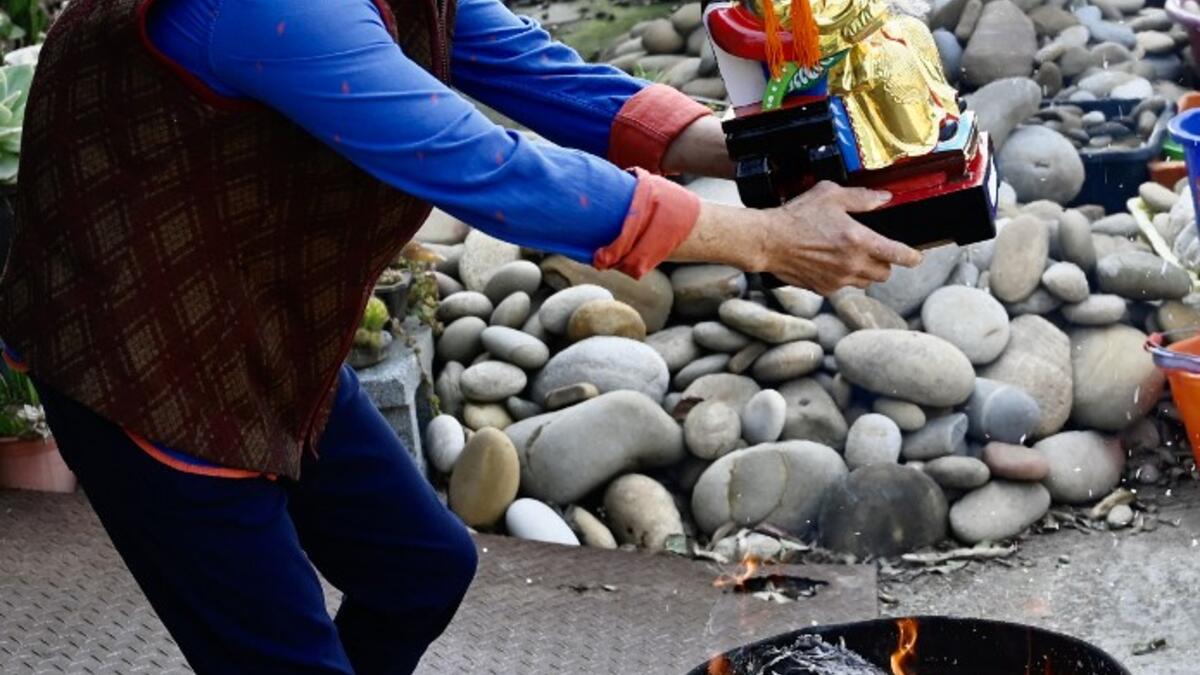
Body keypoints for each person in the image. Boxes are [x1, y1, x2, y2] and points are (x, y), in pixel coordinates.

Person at [0, 0, 921, 673]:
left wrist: (750, 143)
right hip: (150, 371)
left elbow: (529, 67)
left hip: (273, 336)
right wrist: (763, 238)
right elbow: (486, 167)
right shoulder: (270, 9)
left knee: (421, 571)